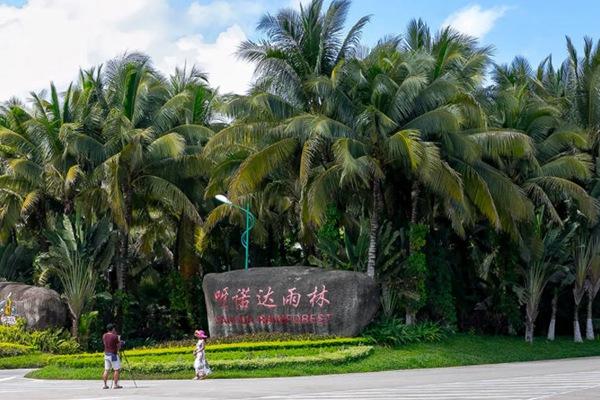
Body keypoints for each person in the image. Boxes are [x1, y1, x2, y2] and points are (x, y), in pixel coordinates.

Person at [102, 323, 123, 389]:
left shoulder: (104, 335)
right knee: (116, 369)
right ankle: (115, 385)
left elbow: (105, 343)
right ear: (113, 329)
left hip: (106, 354)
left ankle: (105, 385)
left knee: (106, 370)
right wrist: (121, 342)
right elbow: (119, 346)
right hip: (113, 355)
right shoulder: (115, 336)